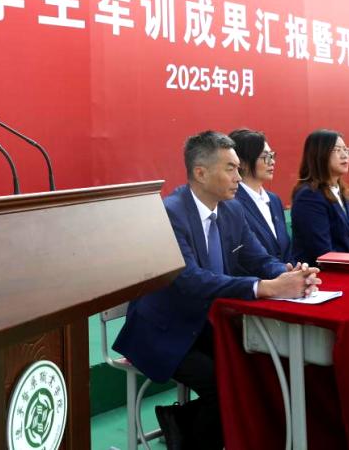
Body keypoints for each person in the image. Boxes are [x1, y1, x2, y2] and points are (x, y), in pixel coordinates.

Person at [112, 131, 321, 450]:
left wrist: (287, 274)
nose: (239, 176)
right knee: (222, 385)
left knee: (255, 369)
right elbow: (191, 280)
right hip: (165, 329)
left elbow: (258, 258)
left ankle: (186, 426)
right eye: (230, 168)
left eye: (238, 167)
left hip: (209, 323)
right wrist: (264, 287)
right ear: (201, 173)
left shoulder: (232, 209)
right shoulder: (170, 213)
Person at [290, 129, 349, 264]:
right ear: (320, 154)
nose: (344, 155)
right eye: (337, 150)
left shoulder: (341, 191)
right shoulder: (309, 195)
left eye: (346, 150)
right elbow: (322, 252)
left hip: (344, 267)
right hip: (320, 272)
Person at [229, 128, 293, 265]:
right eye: (265, 156)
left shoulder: (274, 200)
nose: (272, 162)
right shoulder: (232, 203)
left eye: (272, 155)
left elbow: (286, 250)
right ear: (243, 163)